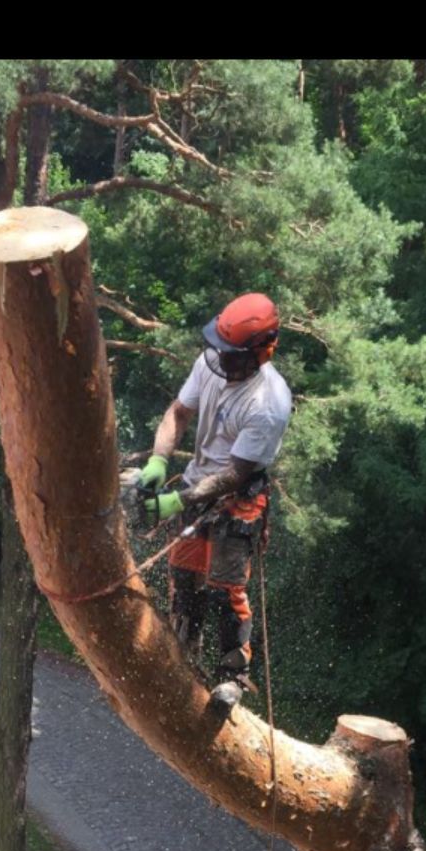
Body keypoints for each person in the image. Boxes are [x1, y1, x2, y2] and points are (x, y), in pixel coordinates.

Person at [129, 293, 291, 714]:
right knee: (183, 574)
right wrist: (158, 460)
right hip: (197, 484)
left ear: (261, 351)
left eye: (232, 354)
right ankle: (185, 649)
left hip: (238, 497)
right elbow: (178, 413)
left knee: (225, 585)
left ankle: (233, 674)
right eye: (218, 349)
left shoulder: (268, 403)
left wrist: (173, 503)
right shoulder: (211, 363)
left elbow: (235, 474)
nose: (221, 360)